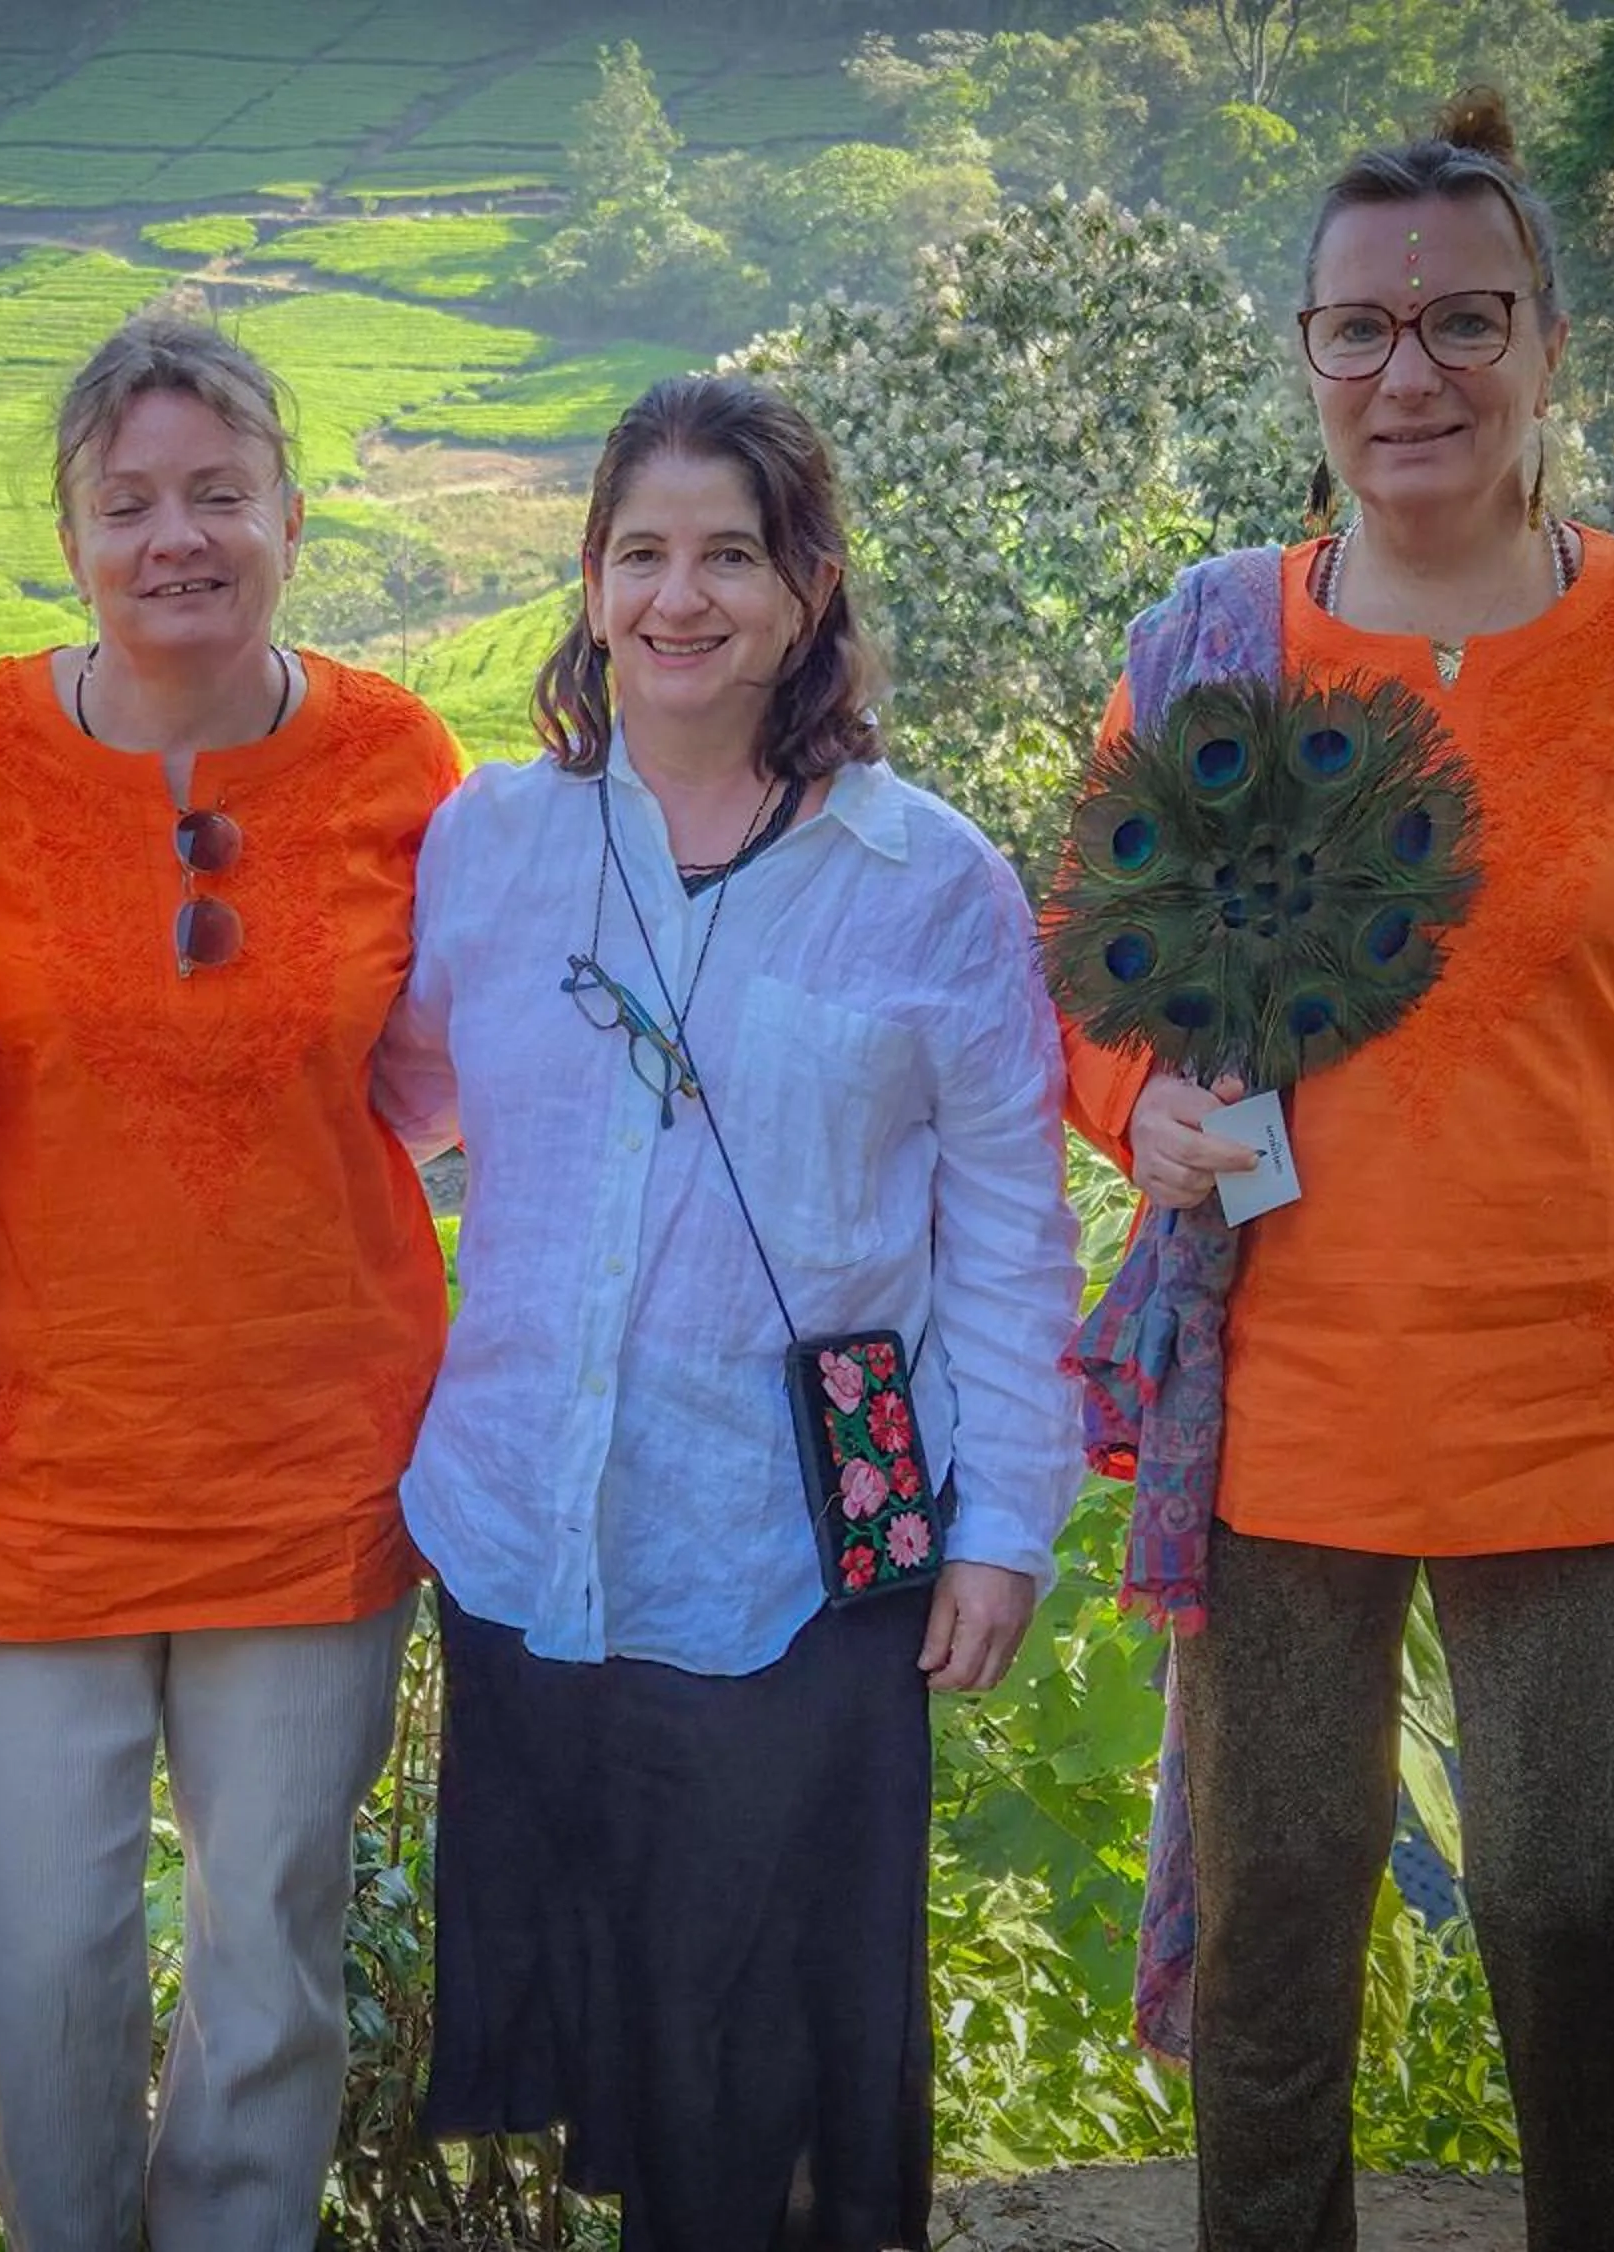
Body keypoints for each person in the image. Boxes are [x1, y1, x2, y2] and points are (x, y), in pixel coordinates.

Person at [1057, 92, 1614, 2252]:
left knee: (1568, 1904)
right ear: (1308, 357)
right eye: (1359, 329)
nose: (1407, 374)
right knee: (1278, 1912)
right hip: (1286, 1398)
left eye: (1462, 322)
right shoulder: (1218, 643)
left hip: (1598, 1391)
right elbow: (1092, 971)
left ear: (1547, 342)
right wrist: (1137, 1105)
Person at [375, 373, 1083, 2252]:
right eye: (640, 554)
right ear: (591, 584)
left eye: (730, 557)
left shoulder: (927, 884)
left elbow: (1011, 1233)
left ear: (807, 589)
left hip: (788, 1561)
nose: (678, 599)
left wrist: (1005, 1527)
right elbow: (402, 1099)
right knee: (616, 2045)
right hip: (530, 1537)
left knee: (757, 2063)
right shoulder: (494, 844)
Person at [0, 315, 457, 2252]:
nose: (174, 537)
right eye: (128, 503)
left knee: (272, 1957)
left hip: (311, 1453)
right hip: (25, 1459)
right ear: (72, 536)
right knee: (40, 1969)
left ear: (292, 516)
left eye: (217, 494)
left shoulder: (399, 758)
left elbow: (502, 1038)